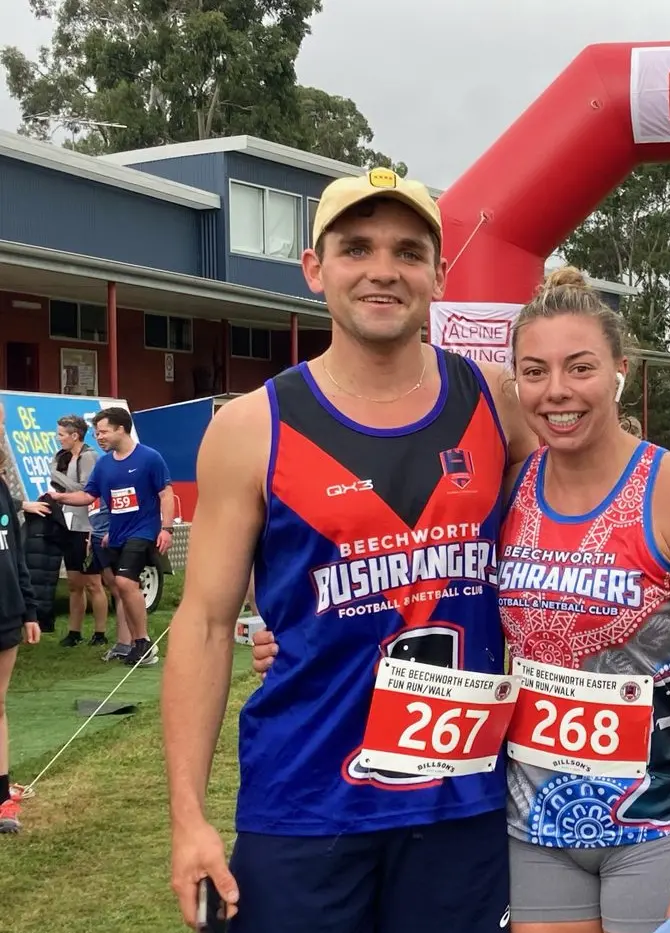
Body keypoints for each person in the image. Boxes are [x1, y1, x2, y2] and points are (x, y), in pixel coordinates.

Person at [160, 167, 540, 933]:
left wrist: (661, 651)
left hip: (462, 802)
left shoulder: (499, 402)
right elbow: (202, 626)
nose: (382, 269)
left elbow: (598, 528)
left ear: (438, 274)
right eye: (356, 247)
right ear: (315, 269)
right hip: (304, 802)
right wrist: (188, 818)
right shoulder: (250, 429)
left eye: (407, 251)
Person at [491, 267, 670, 933]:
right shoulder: (507, 491)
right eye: (535, 371)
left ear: (619, 372)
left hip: (655, 823)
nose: (557, 391)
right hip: (534, 827)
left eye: (580, 367)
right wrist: (280, 639)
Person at [49, 406, 172, 665]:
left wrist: (167, 528)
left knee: (127, 583)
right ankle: (130, 644)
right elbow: (88, 496)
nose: (99, 437)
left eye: (103, 432)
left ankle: (143, 643)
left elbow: (166, 494)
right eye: (96, 433)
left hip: (143, 531)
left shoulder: (149, 458)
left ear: (121, 429)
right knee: (120, 588)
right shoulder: (104, 464)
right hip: (114, 535)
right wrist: (60, 497)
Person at [0, 442, 42, 834]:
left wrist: (29, 610)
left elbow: (16, 556)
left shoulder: (1, 488)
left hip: (6, 613)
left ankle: (2, 801)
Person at [50, 415, 111, 648]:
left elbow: (87, 490)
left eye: (61, 434)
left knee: (93, 582)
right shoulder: (63, 457)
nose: (59, 439)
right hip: (69, 525)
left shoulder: (89, 457)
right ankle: (74, 632)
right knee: (75, 582)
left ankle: (100, 632)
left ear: (75, 435)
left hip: (88, 527)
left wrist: (57, 477)